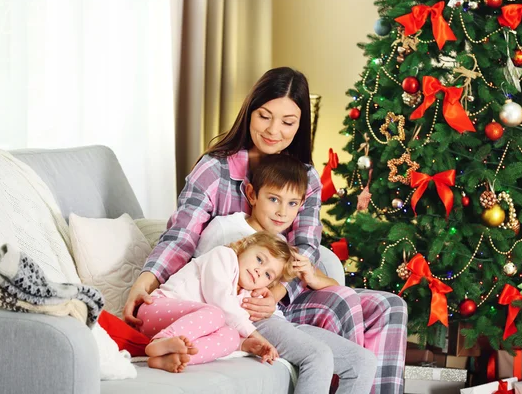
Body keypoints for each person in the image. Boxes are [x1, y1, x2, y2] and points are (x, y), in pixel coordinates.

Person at [123, 67, 407, 393]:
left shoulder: (305, 177)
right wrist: (146, 281)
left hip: (283, 291)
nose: (274, 130)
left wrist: (275, 294)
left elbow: (306, 249)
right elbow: (182, 237)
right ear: (249, 113)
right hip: (237, 299)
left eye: (288, 122)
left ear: (300, 126)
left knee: (390, 307)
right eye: (264, 116)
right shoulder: (216, 170)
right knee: (338, 310)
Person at [191, 153, 376, 393]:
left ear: (301, 206)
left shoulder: (281, 246)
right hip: (251, 321)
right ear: (252, 195)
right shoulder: (226, 228)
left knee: (362, 362)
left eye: (292, 203)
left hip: (280, 321)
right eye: (274, 199)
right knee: (317, 356)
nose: (282, 212)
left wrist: (310, 275)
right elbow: (201, 277)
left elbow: (332, 283)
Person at [137, 231, 295, 373]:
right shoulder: (223, 256)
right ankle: (160, 342)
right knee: (215, 313)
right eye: (259, 259)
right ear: (243, 246)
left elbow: (229, 323)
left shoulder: (244, 296)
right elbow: (221, 301)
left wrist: (246, 344)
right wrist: (256, 335)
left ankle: (173, 357)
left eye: (268, 275)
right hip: (155, 310)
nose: (259, 271)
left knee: (231, 336)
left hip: (184, 331)